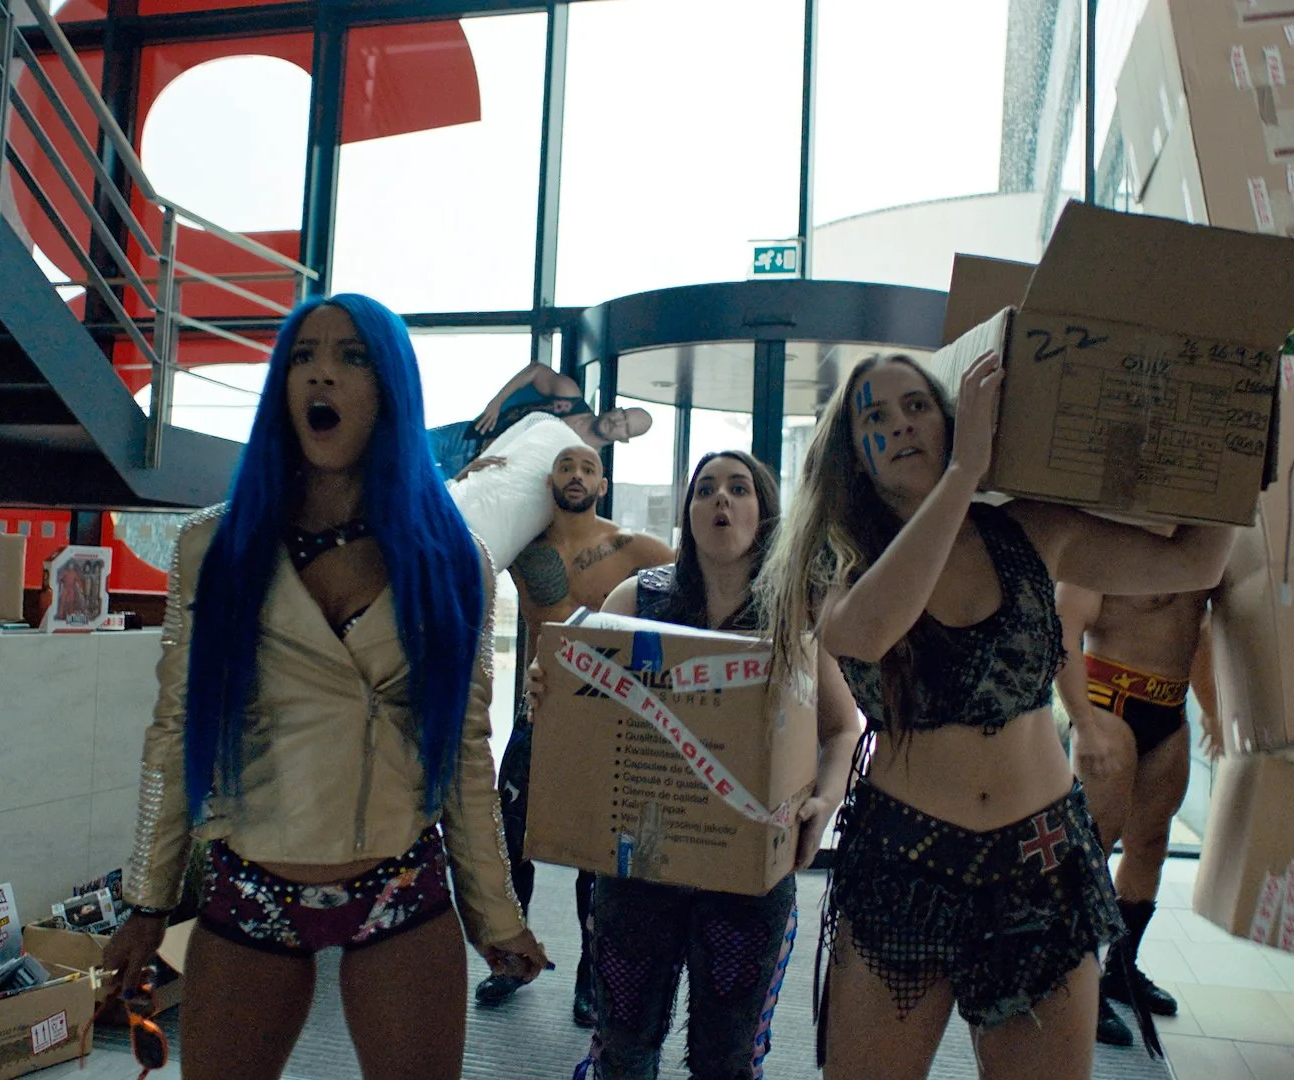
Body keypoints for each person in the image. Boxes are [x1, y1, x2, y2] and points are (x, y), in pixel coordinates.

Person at [102, 294, 548, 1080]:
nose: (322, 375)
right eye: (303, 357)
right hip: (251, 885)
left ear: (390, 389)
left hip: (399, 886)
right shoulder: (215, 547)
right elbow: (174, 731)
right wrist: (147, 899)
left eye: (352, 357)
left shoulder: (453, 559)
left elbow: (463, 750)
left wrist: (495, 913)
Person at [755, 353, 1234, 1080]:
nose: (900, 424)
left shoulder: (1033, 530)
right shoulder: (838, 557)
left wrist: (1238, 436)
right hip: (903, 867)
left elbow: (1194, 563)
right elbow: (866, 633)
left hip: (1043, 866)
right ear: (853, 452)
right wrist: (961, 477)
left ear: (950, 419)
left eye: (917, 405)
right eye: (875, 416)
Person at [525, 451, 862, 1080]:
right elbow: (573, 687)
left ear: (764, 512)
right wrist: (546, 688)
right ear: (689, 513)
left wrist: (826, 799)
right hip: (638, 868)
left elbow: (843, 727)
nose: (721, 499)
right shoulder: (638, 597)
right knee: (624, 1048)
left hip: (747, 876)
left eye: (739, 488)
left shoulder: (791, 614)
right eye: (705, 489)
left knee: (726, 1058)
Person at [475, 445, 676, 1024]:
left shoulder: (630, 547)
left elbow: (696, 571)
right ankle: (511, 961)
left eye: (588, 468)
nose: (577, 475)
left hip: (603, 721)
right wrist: (477, 475)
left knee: (596, 853)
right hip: (538, 713)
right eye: (567, 466)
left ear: (602, 484)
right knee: (510, 840)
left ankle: (593, 977)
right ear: (551, 480)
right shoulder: (523, 548)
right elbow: (462, 534)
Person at [1054, 586, 1214, 1045]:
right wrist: (1083, 722)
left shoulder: (1202, 552)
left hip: (1171, 707)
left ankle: (1120, 971)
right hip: (1107, 698)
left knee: (1151, 844)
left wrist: (1214, 712)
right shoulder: (1110, 546)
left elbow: (1203, 627)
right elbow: (1062, 628)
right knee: (1094, 845)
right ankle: (1074, 983)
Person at [427, 360, 654, 480]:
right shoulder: (570, 398)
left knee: (411, 489)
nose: (618, 423)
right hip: (470, 435)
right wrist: (496, 403)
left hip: (471, 475)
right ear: (616, 409)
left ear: (624, 439)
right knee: (408, 444)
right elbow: (536, 370)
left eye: (627, 428)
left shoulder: (582, 462)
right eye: (623, 415)